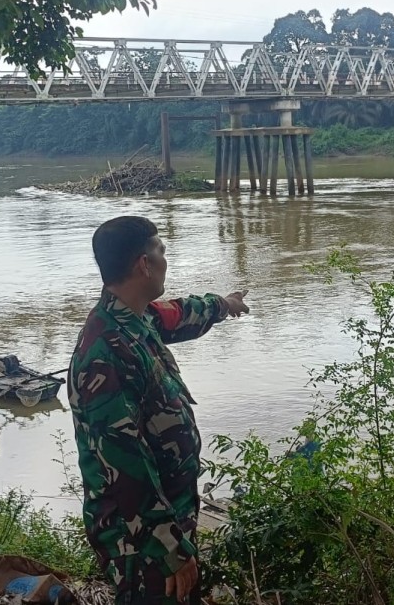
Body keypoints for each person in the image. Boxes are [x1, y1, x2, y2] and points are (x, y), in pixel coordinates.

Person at [68, 215, 249, 605]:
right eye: (162, 251)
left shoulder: (136, 318)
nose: (167, 259)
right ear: (144, 264)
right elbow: (124, 467)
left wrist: (224, 305)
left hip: (168, 519)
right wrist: (170, 550)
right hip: (140, 540)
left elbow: (180, 312)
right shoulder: (105, 354)